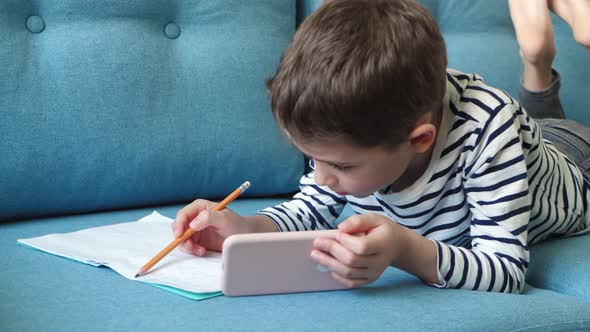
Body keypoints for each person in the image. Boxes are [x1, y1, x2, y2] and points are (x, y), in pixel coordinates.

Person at [172, 0, 590, 294]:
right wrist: (241, 231)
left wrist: (405, 250)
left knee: (551, 128)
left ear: (420, 140)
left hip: (575, 162)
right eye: (314, 159)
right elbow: (308, 209)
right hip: (526, 142)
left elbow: (504, 271)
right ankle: (536, 60)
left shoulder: (487, 131)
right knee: (540, 123)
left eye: (340, 166)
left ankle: (541, 61)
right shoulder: (360, 132)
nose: (320, 177)